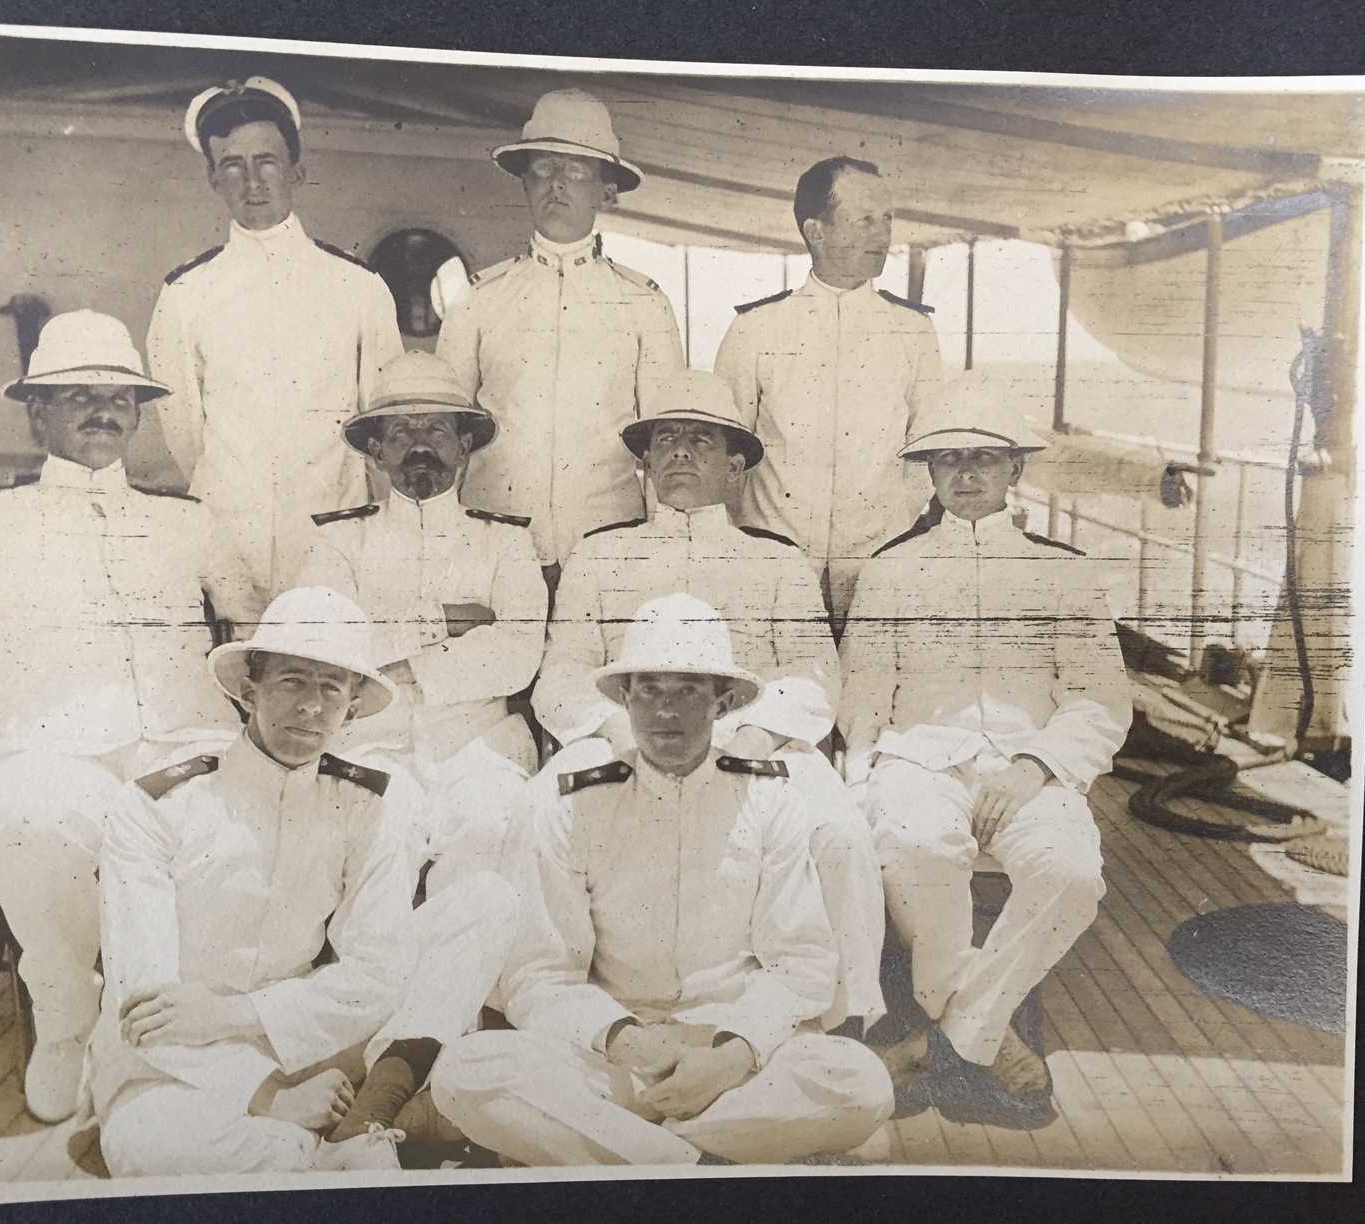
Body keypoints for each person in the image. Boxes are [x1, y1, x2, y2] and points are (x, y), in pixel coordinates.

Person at [432, 595, 893, 1166]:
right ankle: (695, 1164)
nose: (665, 712)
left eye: (687, 691)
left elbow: (801, 962)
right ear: (624, 698)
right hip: (615, 1052)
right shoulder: (574, 806)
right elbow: (540, 973)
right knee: (464, 1072)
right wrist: (628, 1039)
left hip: (728, 1055)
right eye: (648, 689)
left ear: (723, 703)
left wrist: (732, 1053)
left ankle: (618, 1147)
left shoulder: (771, 800)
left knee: (861, 1082)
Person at [91, 586, 520, 1177]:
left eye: (331, 689)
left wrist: (235, 1017)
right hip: (181, 1067)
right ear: (249, 690)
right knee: (150, 1148)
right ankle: (358, 1147)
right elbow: (145, 1008)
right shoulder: (156, 805)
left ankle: (363, 1120)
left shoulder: (367, 802)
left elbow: (377, 974)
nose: (312, 708)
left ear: (353, 706)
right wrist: (270, 1097)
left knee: (487, 900)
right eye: (292, 681)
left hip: (310, 1038)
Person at [0, 311, 254, 1123]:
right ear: (36, 412)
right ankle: (68, 1014)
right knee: (27, 816)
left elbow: (255, 628)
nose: (101, 410)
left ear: (139, 413)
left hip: (188, 738)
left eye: (118, 398)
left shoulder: (188, 519)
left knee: (255, 812)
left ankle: (199, 1020)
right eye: (76, 395)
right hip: (52, 749)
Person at [531, 368, 885, 1032]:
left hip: (753, 741)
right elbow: (562, 674)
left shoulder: (778, 562)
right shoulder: (599, 557)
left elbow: (814, 676)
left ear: (736, 468)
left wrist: (751, 737)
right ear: (644, 464)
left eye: (701, 440)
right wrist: (619, 729)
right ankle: (561, 1013)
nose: (681, 453)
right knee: (533, 814)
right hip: (628, 734)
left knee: (839, 833)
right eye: (665, 440)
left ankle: (843, 1021)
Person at [838, 377, 1131, 1098]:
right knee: (913, 845)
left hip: (1028, 763)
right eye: (948, 460)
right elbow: (865, 700)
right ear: (931, 474)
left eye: (984, 459)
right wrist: (856, 785)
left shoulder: (1063, 573)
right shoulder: (890, 570)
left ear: (1015, 470)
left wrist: (1036, 765)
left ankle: (943, 1036)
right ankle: (978, 1029)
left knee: (1070, 875)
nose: (965, 474)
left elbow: (1100, 698)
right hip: (918, 759)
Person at [294, 351, 547, 895]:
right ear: (377, 452)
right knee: (376, 850)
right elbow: (323, 644)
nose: (420, 441)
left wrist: (395, 665)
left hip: (481, 750)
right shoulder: (338, 542)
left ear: (463, 446)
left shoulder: (506, 541)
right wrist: (440, 622)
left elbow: (520, 652)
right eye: (402, 429)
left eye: (436, 427)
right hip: (371, 746)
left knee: (487, 850)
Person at [146, 76, 405, 604]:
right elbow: (186, 437)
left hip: (333, 539)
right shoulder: (185, 294)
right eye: (232, 166)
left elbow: (382, 425)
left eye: (266, 161)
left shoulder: (358, 287)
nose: (252, 182)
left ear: (296, 171)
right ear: (213, 179)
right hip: (225, 544)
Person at [435, 88, 684, 580]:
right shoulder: (479, 298)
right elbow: (447, 434)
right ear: (524, 183)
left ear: (605, 191)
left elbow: (665, 442)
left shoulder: (644, 303)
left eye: (575, 171)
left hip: (608, 545)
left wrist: (665, 553)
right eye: (543, 169)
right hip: (494, 541)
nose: (556, 186)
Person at [713, 155, 947, 625]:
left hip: (877, 567)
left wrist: (883, 528)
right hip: (774, 565)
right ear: (815, 232)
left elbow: (929, 451)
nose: (883, 235)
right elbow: (725, 453)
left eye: (887, 220)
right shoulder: (755, 329)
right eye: (865, 220)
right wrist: (759, 537)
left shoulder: (912, 330)